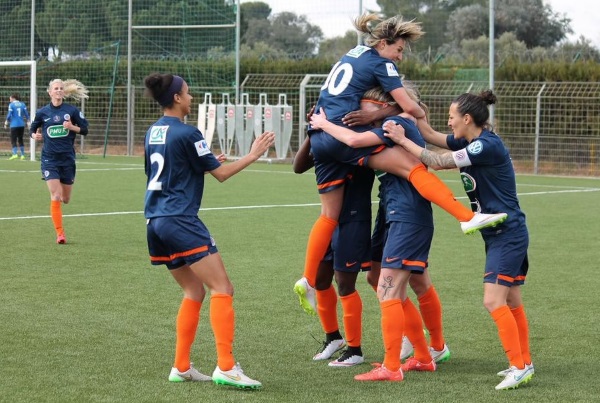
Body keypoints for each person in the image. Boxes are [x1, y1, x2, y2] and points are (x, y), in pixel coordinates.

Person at [294, 13, 507, 315]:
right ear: (383, 43)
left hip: (319, 133)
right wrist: (404, 110)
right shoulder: (384, 72)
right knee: (413, 169)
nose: (400, 57)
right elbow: (411, 108)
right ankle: (465, 216)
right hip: (345, 137)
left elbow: (298, 166)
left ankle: (308, 278)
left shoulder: (351, 55)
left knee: (328, 216)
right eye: (399, 50)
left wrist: (325, 124)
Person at [384, 90, 534, 390]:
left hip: (508, 233)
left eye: (452, 116)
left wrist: (401, 140)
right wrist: (415, 112)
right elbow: (429, 135)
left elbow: (436, 161)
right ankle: (524, 362)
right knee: (511, 299)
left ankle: (518, 367)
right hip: (499, 233)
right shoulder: (468, 140)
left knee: (493, 301)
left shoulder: (485, 145)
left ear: (467, 119)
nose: (449, 121)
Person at [143, 72, 274, 389]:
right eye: (187, 93)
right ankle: (227, 367)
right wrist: (254, 154)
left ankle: (181, 366)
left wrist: (203, 161)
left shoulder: (153, 131)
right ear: (176, 98)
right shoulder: (188, 133)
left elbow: (164, 170)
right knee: (222, 288)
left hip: (155, 221)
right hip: (180, 221)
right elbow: (222, 175)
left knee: (194, 291)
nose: (190, 98)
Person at [310, 86, 443, 381]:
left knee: (390, 287)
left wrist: (323, 123)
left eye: (363, 105)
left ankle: (398, 363)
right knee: (382, 279)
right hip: (391, 210)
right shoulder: (391, 121)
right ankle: (426, 353)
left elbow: (354, 139)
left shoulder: (394, 123)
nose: (356, 110)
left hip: (407, 213)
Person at [293, 136, 372, 367]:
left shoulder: (358, 137)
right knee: (321, 278)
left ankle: (355, 349)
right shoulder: (330, 136)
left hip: (353, 218)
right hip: (330, 220)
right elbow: (298, 166)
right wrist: (311, 134)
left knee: (345, 282)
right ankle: (333, 338)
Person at [30, 79, 89, 244]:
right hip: (49, 159)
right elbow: (32, 129)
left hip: (67, 160)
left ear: (64, 92)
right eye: (55, 88)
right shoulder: (42, 112)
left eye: (61, 88)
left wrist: (72, 127)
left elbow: (85, 129)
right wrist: (35, 135)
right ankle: (60, 234)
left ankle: (62, 205)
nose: (58, 91)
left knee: (66, 199)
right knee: (55, 195)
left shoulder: (72, 111)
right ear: (49, 92)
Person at [4, 93, 30, 160]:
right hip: (21, 124)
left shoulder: (11, 105)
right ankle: (22, 155)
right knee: (20, 139)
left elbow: (9, 115)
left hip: (14, 125)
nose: (9, 100)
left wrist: (6, 121)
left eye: (10, 98)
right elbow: (26, 114)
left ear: (13, 98)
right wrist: (28, 121)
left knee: (13, 139)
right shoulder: (22, 104)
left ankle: (15, 154)